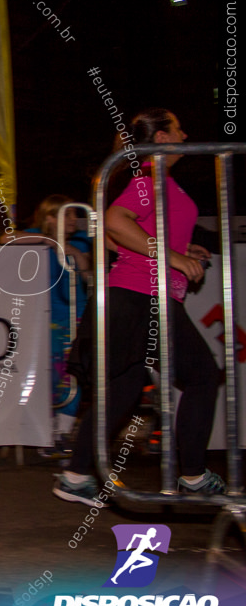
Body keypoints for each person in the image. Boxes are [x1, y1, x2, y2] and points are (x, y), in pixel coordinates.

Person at [53, 108, 226, 505]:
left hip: (135, 297)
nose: (187, 133)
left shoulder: (155, 180)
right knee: (202, 376)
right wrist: (170, 257)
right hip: (142, 296)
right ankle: (194, 476)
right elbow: (114, 222)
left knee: (124, 388)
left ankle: (76, 476)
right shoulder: (149, 178)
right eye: (180, 127)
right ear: (162, 138)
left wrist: (182, 249)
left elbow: (119, 239)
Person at [16, 195, 91, 455]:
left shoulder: (81, 240)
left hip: (78, 315)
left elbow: (90, 277)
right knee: (50, 374)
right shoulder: (38, 238)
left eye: (73, 215)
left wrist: (80, 260)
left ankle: (64, 432)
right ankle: (45, 433)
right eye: (66, 215)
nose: (73, 220)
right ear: (50, 218)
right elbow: (6, 239)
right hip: (47, 319)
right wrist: (48, 241)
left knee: (76, 373)